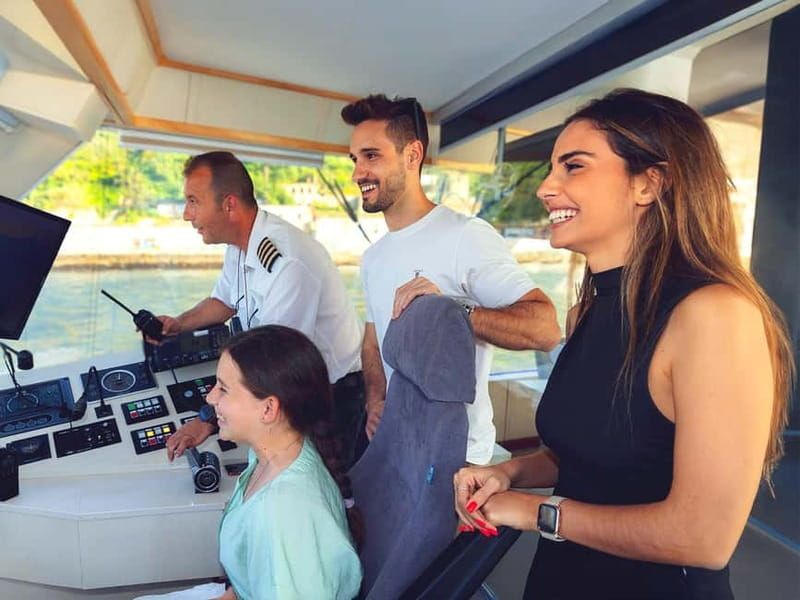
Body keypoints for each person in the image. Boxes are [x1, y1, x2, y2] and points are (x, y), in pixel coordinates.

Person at [453, 89, 795, 599]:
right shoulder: (588, 309)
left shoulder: (715, 315)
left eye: (573, 167)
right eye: (552, 169)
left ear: (648, 183)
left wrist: (535, 510)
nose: (547, 188)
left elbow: (703, 539)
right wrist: (508, 472)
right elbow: (593, 451)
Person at [341, 94, 561, 466]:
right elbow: (373, 340)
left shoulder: (466, 236)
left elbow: (545, 329)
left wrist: (452, 309)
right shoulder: (373, 257)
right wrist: (375, 399)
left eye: (371, 156)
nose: (357, 172)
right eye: (355, 159)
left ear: (412, 155)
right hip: (397, 445)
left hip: (458, 459)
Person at [159, 152, 364, 467]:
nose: (187, 214)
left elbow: (272, 365)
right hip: (284, 385)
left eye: (193, 201)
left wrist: (207, 419)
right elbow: (223, 303)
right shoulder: (239, 245)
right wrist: (178, 324)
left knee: (331, 496)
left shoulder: (287, 260)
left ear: (229, 205)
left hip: (332, 397)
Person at [136, 325, 363, 600]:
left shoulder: (284, 511)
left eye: (223, 389)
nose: (210, 398)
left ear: (268, 409)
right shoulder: (271, 452)